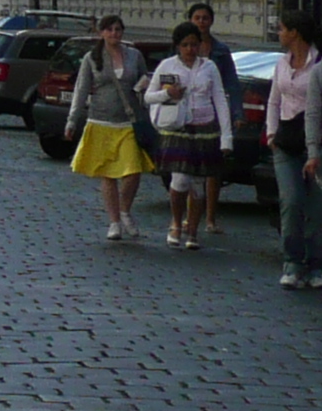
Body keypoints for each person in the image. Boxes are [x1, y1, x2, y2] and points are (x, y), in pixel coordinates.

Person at [64, 13, 154, 241]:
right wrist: (72, 120)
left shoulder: (134, 55)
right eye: (110, 30)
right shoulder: (92, 58)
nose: (115, 34)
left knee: (133, 171)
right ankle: (114, 221)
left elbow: (147, 80)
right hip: (101, 120)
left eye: (118, 30)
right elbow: (81, 90)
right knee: (108, 174)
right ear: (101, 33)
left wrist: (143, 88)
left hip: (129, 120)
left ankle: (125, 211)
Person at [265, 12, 322, 292]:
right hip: (286, 142)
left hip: (317, 144)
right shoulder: (282, 64)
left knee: (317, 208)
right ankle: (292, 263)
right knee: (291, 201)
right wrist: (271, 133)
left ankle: (317, 265)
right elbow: (274, 100)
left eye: (282, 29)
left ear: (295, 33)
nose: (279, 34)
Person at [149, 22, 229, 250]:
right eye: (185, 45)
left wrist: (226, 137)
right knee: (179, 179)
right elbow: (148, 97)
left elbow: (220, 100)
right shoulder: (167, 66)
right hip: (178, 129)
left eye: (194, 44)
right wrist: (167, 93)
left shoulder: (209, 67)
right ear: (177, 46)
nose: (190, 49)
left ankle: (192, 230)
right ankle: (176, 222)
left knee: (198, 182)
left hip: (204, 128)